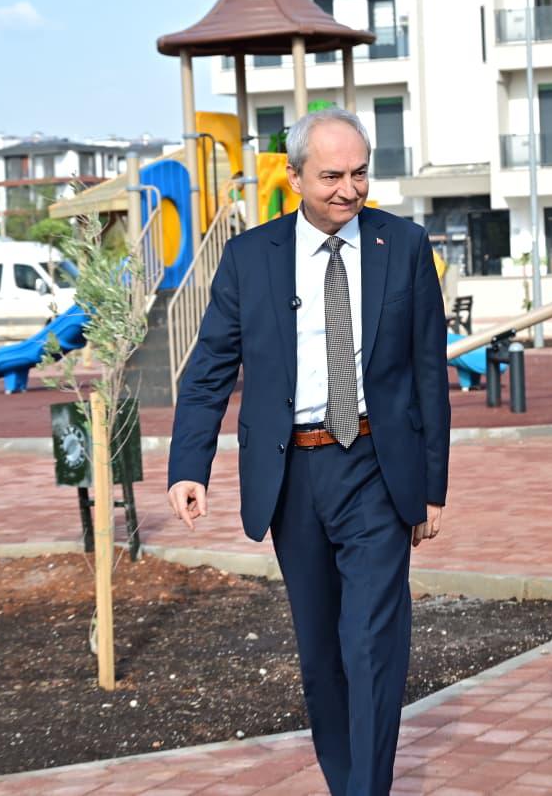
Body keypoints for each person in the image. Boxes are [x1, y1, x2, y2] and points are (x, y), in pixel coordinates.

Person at [166, 107, 450, 796]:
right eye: (331, 176)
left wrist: (432, 485)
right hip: (291, 474)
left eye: (360, 174)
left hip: (376, 468)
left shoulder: (404, 245)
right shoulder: (249, 257)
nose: (349, 189)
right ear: (294, 177)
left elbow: (427, 372)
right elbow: (209, 370)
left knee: (372, 645)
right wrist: (188, 467)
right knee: (322, 654)